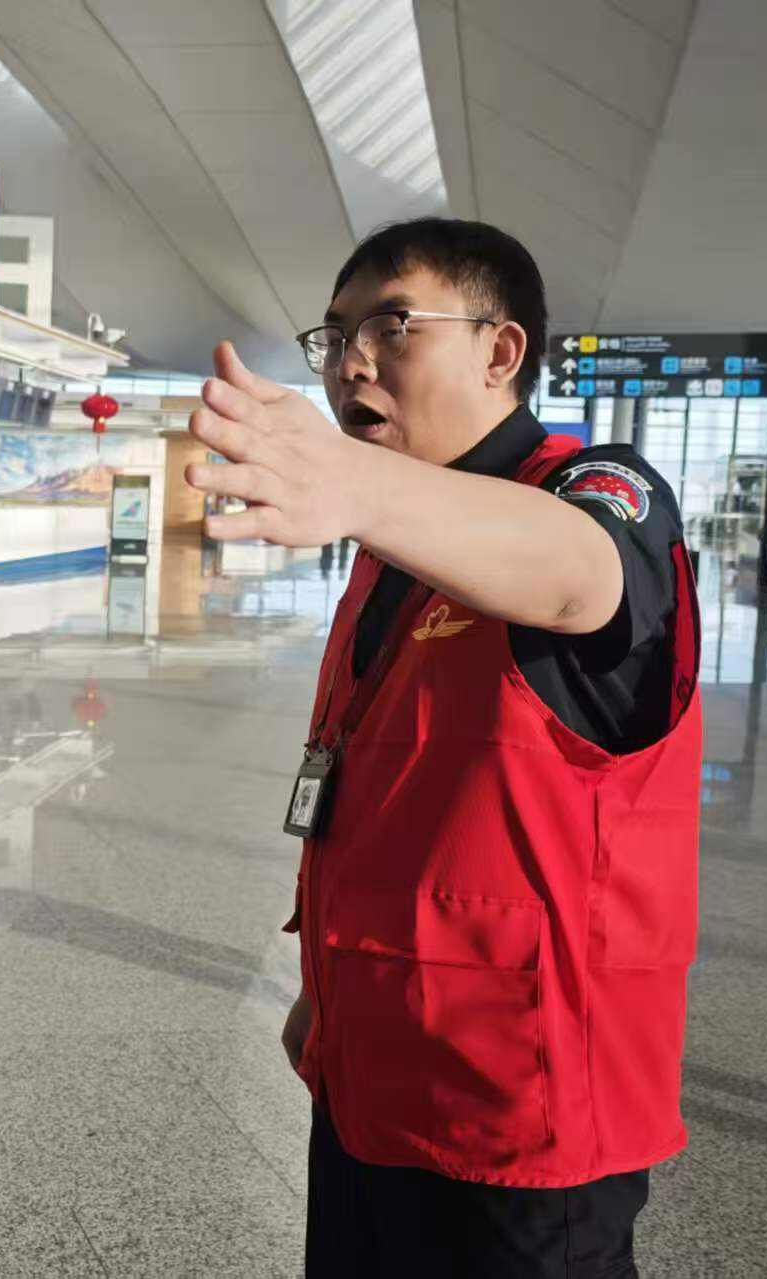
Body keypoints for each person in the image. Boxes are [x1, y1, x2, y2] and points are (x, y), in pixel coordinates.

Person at [184, 218, 700, 1278]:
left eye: (391, 326)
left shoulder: (595, 490)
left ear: (499, 351)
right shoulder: (393, 547)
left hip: (521, 1104)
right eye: (335, 337)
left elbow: (579, 576)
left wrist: (349, 484)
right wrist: (327, 993)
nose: (351, 363)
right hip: (372, 1065)